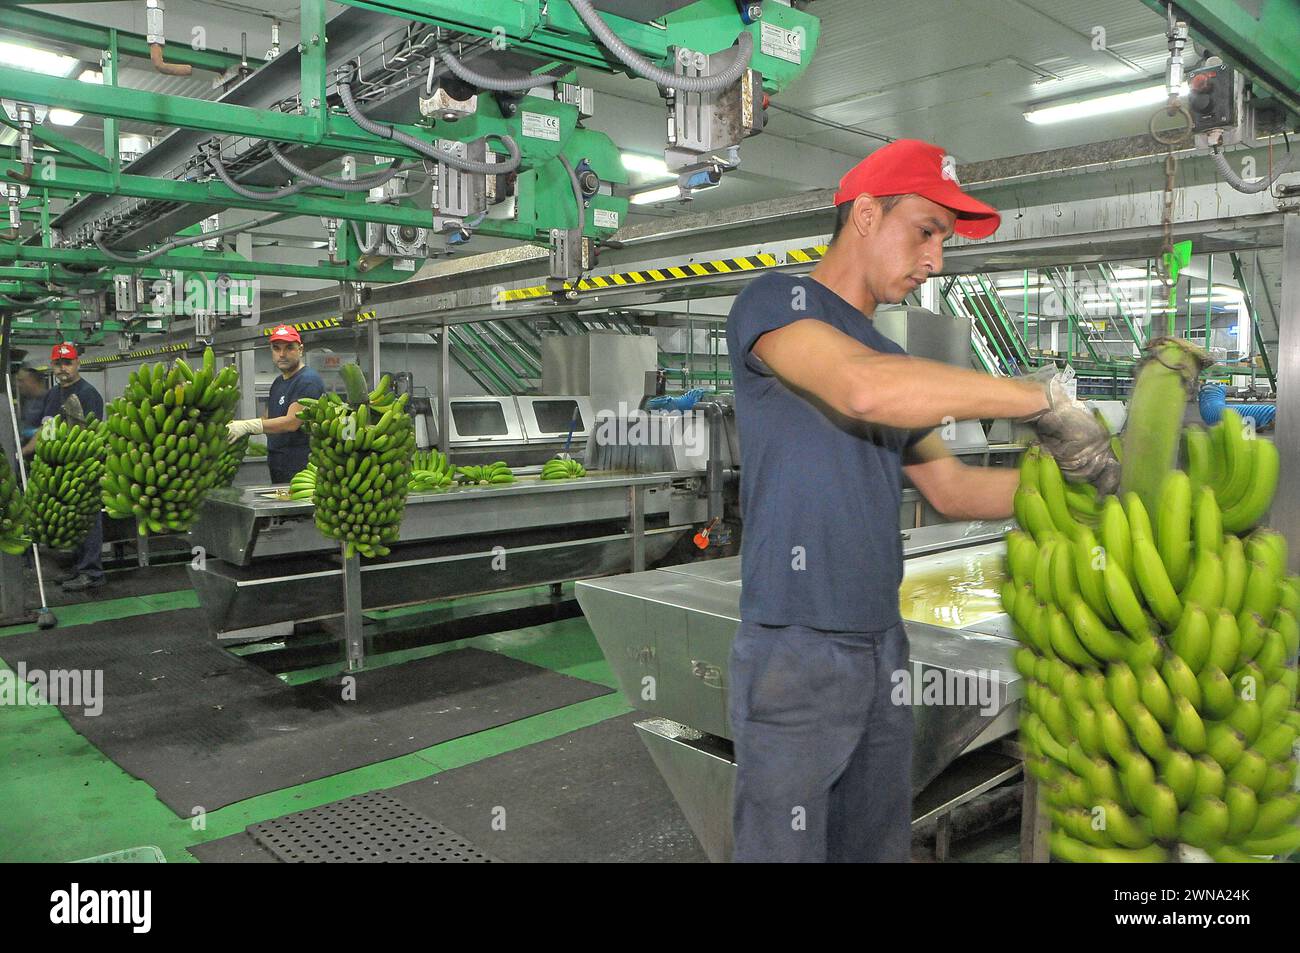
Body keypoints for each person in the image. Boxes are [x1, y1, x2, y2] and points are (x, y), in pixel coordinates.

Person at [724, 139, 1117, 863]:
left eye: (944, 241)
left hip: (882, 641)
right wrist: (1040, 399)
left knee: (876, 846)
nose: (935, 260)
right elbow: (860, 390)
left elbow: (953, 487)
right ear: (866, 215)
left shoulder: (891, 357)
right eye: (927, 231)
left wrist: (1079, 485)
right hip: (796, 644)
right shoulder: (777, 304)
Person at [23, 344, 106, 592]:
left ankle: (92, 572)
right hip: (58, 466)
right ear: (52, 366)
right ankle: (79, 567)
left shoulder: (88, 393)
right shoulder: (53, 394)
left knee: (88, 518)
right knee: (72, 518)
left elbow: (89, 433)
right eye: (58, 364)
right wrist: (25, 450)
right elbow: (45, 428)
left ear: (77, 363)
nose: (63, 369)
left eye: (68, 363)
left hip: (83, 465)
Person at [226, 325, 325, 484]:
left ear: (300, 349)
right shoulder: (278, 382)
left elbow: (292, 422)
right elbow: (267, 418)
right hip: (278, 465)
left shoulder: (307, 380)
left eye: (289, 348)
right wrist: (236, 427)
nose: (282, 354)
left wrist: (248, 426)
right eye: (276, 348)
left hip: (301, 468)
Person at [14, 365, 47, 444]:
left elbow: (49, 428)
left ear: (32, 380)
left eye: (21, 380)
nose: (18, 384)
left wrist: (32, 433)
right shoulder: (28, 400)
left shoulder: (49, 399)